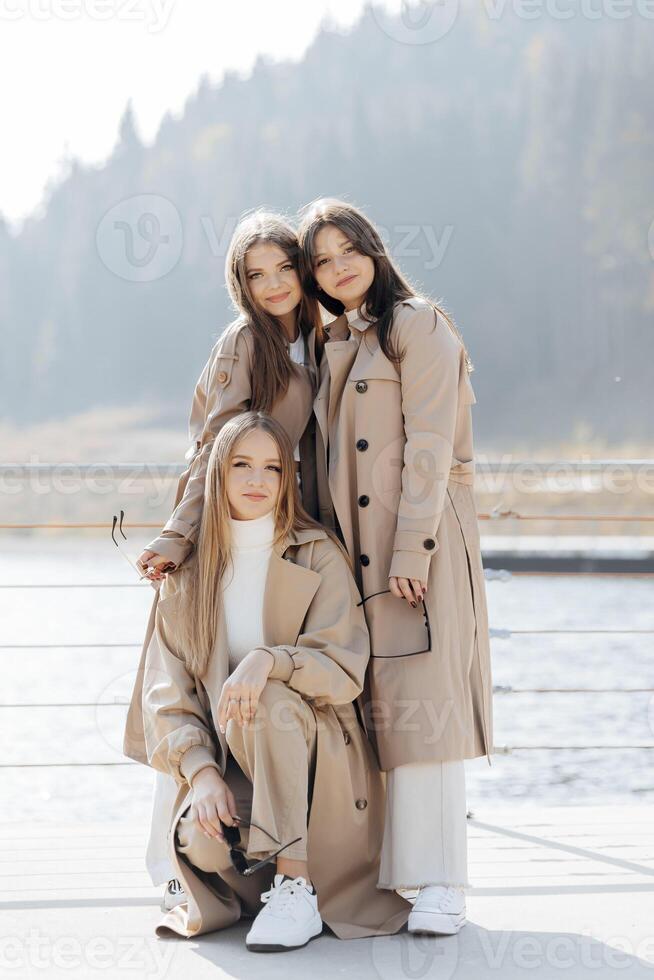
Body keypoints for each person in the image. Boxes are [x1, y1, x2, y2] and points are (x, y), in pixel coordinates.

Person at [127, 412, 410, 949]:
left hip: (320, 757)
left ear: (287, 479)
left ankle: (297, 885)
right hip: (237, 763)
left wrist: (269, 661)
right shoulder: (187, 574)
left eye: (272, 468)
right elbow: (168, 695)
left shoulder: (316, 552)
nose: (257, 481)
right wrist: (202, 773)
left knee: (269, 698)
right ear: (217, 473)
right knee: (203, 845)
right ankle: (270, 875)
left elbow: (344, 668)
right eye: (241, 465)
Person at [297, 198, 494, 935]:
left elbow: (431, 445)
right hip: (356, 559)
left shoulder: (419, 325)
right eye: (322, 258)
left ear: (376, 251)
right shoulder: (337, 341)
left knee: (426, 712)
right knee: (377, 716)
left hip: (421, 549)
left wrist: (413, 547)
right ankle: (388, 877)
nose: (339, 266)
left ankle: (444, 880)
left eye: (350, 249)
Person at [125, 210, 323, 908]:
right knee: (199, 677)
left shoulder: (319, 336)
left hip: (289, 526)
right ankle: (176, 866)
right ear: (239, 284)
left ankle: (299, 863)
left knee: (289, 688)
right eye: (254, 274)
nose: (273, 284)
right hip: (225, 523)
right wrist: (178, 540)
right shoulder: (246, 342)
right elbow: (214, 451)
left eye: (283, 267)